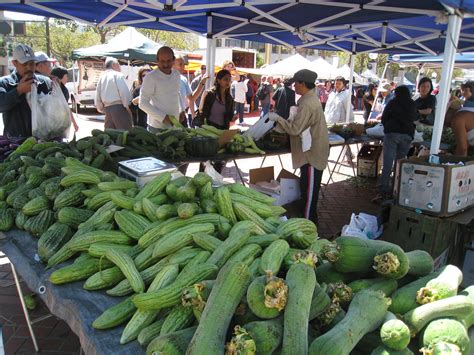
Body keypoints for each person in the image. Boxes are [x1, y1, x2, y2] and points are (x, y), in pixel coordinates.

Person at [269, 69, 329, 225]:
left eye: (296, 82)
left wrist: (279, 119)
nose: (294, 85)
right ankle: (309, 224)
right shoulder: (308, 99)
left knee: (309, 196)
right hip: (311, 153)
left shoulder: (308, 103)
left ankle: (308, 227)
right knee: (308, 191)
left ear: (303, 84)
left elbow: (295, 129)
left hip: (312, 156)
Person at [373, 85, 417, 202]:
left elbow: (384, 118)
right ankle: (397, 188)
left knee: (388, 162)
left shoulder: (392, 103)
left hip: (392, 134)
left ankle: (383, 190)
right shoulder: (412, 103)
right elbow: (415, 117)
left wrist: (388, 126)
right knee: (400, 163)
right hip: (407, 135)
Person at [0, 44, 51, 138]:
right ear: (15, 63)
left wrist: (58, 89)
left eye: (31, 63)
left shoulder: (45, 82)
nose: (29, 68)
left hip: (43, 140)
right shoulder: (4, 83)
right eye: (24, 64)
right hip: (15, 143)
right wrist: (18, 91)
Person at [198, 69, 235, 173]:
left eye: (229, 80)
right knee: (205, 160)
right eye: (225, 79)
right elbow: (202, 113)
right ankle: (200, 178)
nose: (228, 82)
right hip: (209, 131)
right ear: (218, 80)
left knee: (220, 161)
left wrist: (232, 117)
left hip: (222, 131)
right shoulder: (210, 94)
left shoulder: (229, 98)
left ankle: (215, 181)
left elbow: (229, 115)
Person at [139, 46, 182, 132]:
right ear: (157, 61)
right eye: (162, 61)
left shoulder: (176, 74)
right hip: (157, 127)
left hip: (175, 125)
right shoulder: (150, 77)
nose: (165, 64)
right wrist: (163, 117)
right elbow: (142, 103)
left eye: (168, 61)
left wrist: (182, 110)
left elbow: (177, 94)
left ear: (173, 59)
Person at [95, 57, 132, 130]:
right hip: (120, 109)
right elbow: (123, 92)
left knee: (110, 136)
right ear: (114, 65)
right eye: (118, 64)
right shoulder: (118, 75)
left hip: (107, 110)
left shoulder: (101, 77)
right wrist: (127, 105)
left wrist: (101, 109)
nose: (120, 66)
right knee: (125, 135)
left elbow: (97, 97)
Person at [173, 56, 208, 127]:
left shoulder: (183, 79)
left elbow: (191, 98)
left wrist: (201, 83)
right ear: (172, 65)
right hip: (168, 120)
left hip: (181, 118)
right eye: (180, 64)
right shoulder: (164, 80)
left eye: (184, 64)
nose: (184, 67)